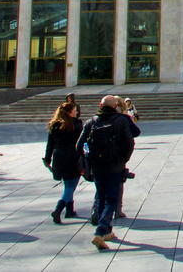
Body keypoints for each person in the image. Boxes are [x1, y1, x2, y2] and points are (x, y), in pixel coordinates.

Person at [77, 96, 135, 251]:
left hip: (97, 167)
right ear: (115, 106)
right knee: (111, 199)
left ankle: (107, 230)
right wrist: (123, 159)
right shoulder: (121, 120)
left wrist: (88, 156)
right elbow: (130, 142)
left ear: (100, 105)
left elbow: (80, 145)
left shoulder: (91, 122)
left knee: (101, 197)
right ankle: (101, 230)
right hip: (114, 166)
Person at [43, 102, 83, 224]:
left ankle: (70, 210)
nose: (76, 112)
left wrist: (47, 159)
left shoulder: (54, 125)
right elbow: (81, 141)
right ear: (68, 112)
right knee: (71, 186)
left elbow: (50, 144)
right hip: (73, 157)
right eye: (74, 110)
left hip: (59, 157)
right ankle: (58, 209)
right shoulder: (76, 124)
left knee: (67, 184)